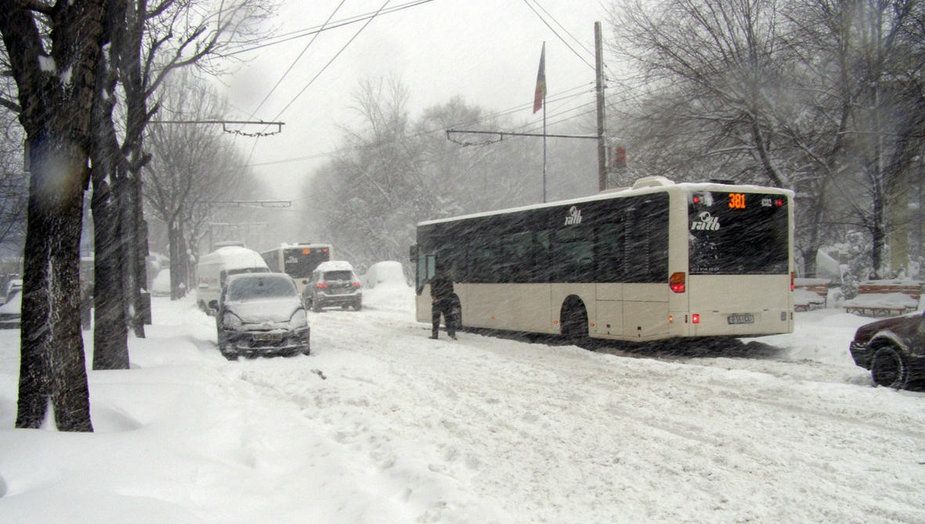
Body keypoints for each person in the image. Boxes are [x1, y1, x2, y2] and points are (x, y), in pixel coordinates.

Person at [430, 266, 456, 340]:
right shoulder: (448, 278)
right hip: (447, 301)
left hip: (438, 301)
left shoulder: (434, 278)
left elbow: (432, 290)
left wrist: (435, 298)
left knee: (436, 319)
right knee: (449, 318)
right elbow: (451, 289)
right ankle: (452, 334)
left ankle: (435, 335)